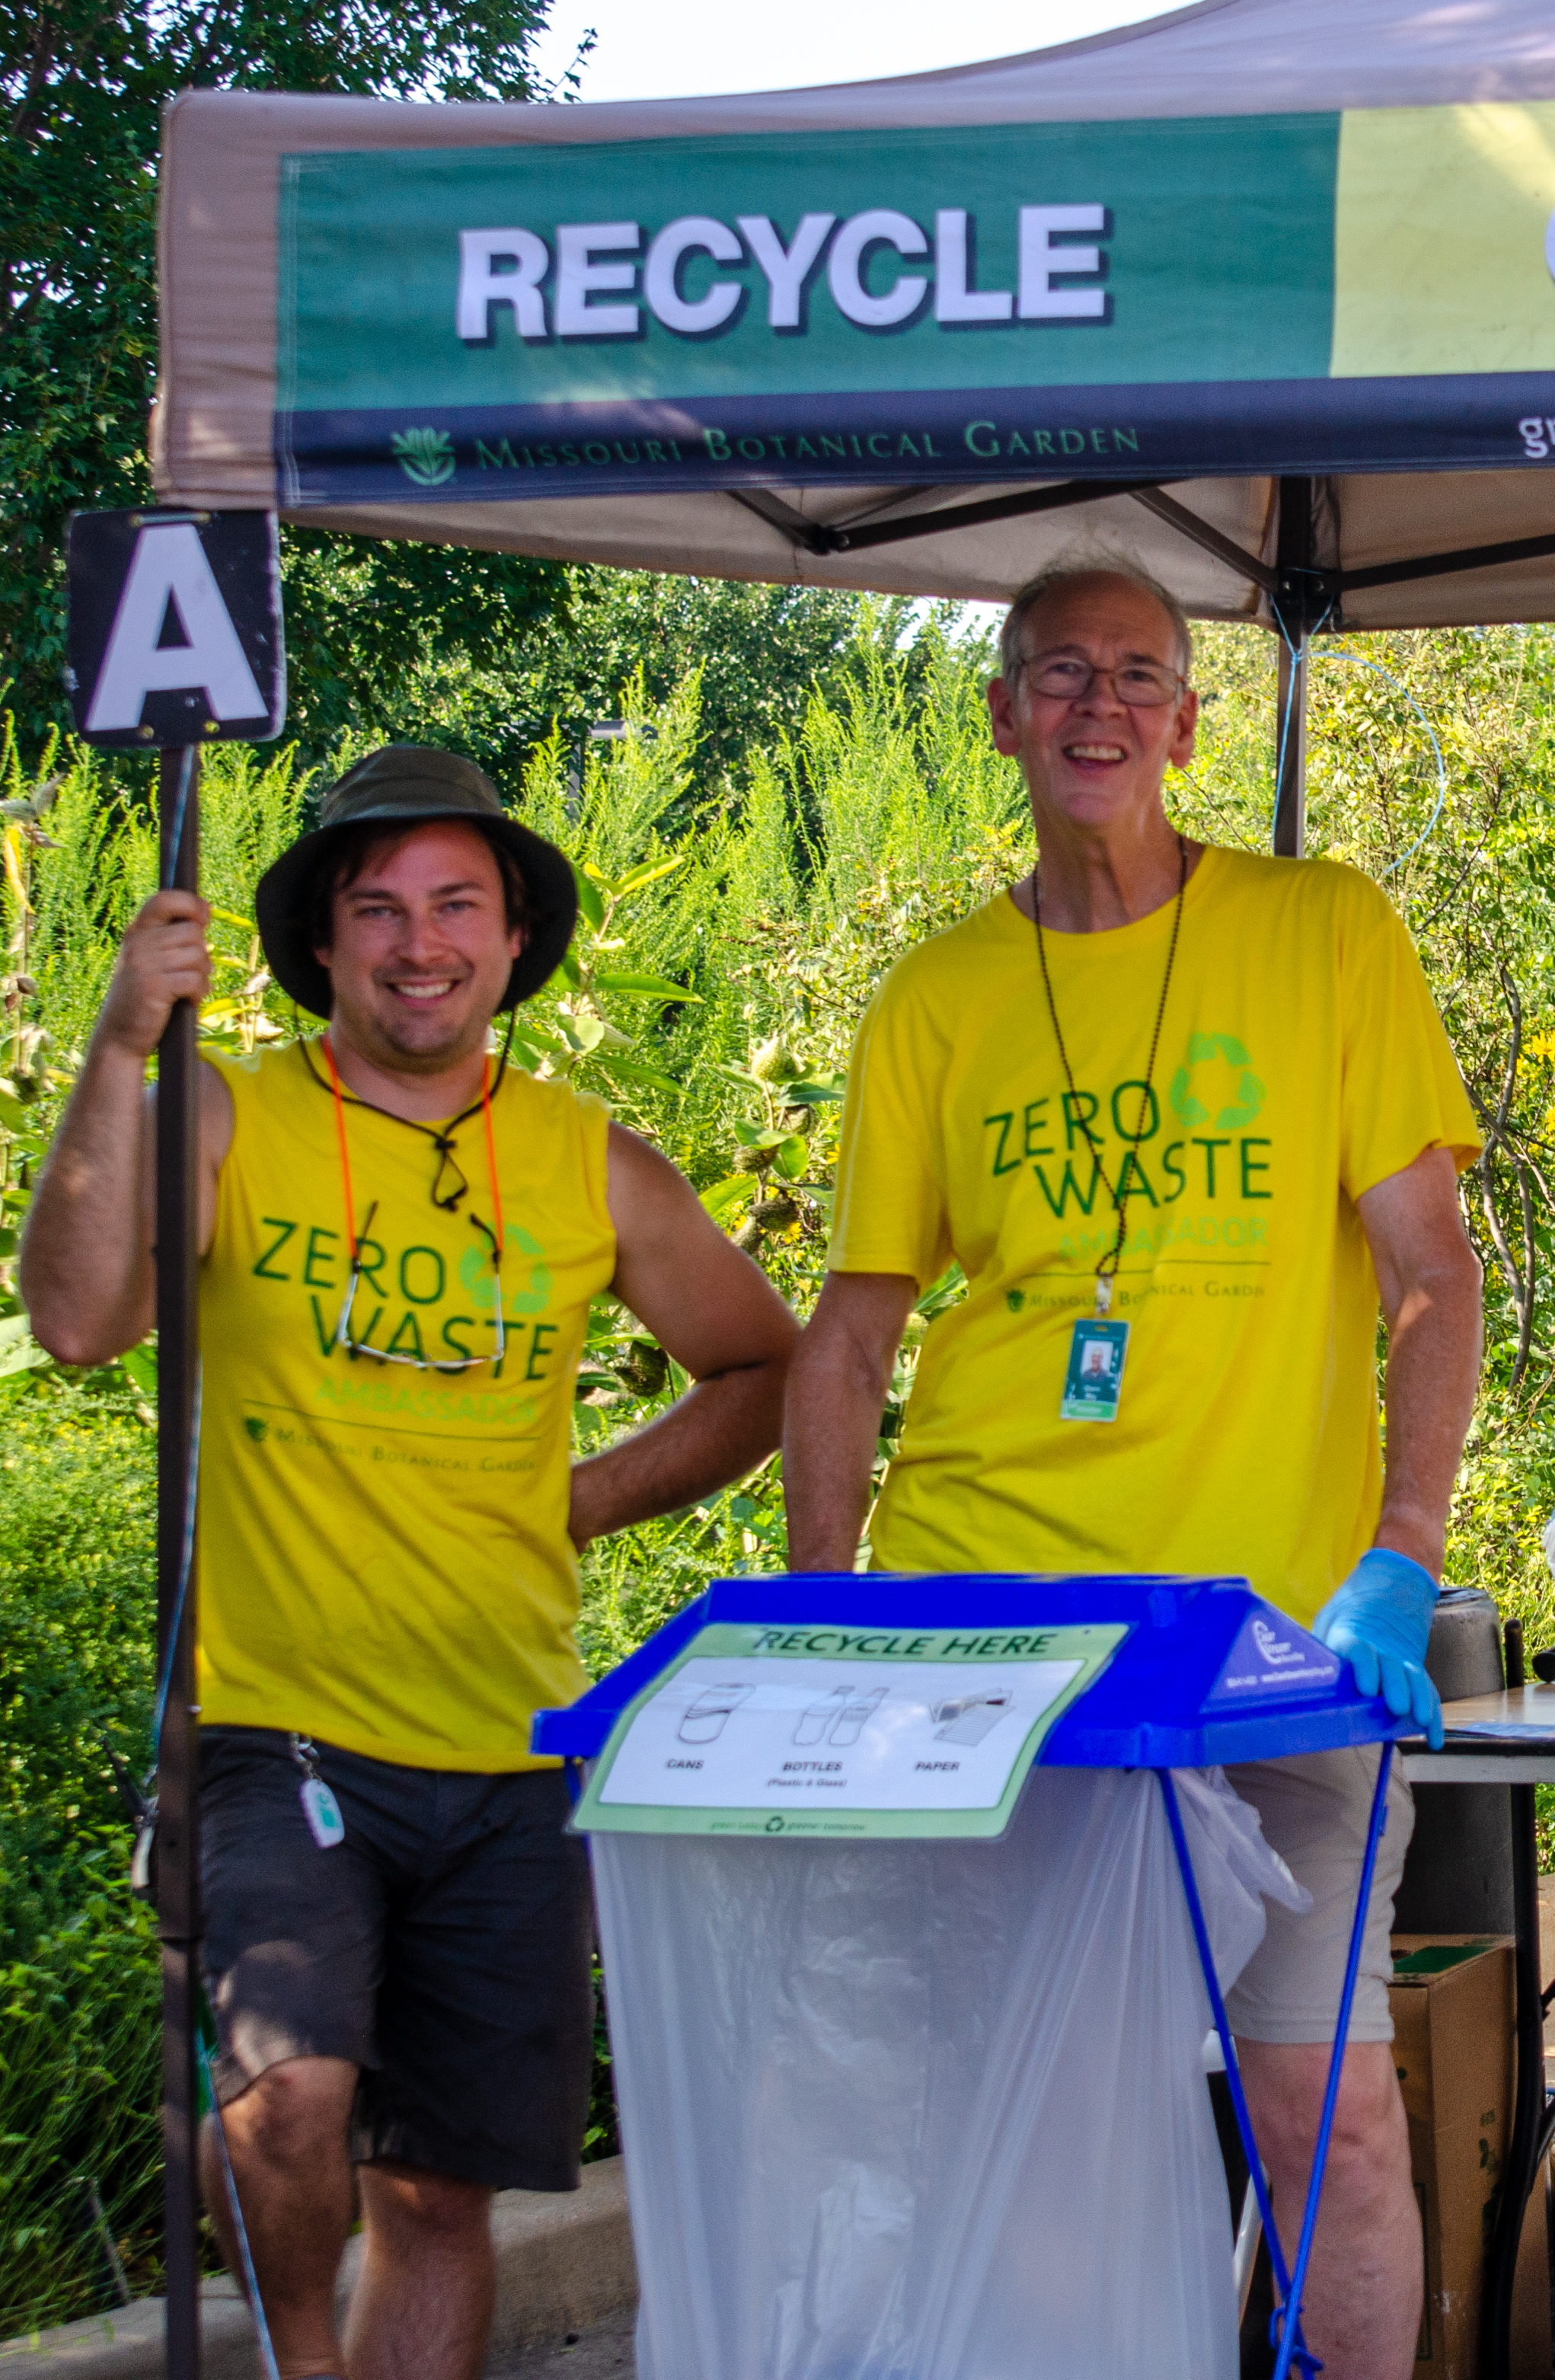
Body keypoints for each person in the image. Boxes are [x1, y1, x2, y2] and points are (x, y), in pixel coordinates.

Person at [783, 564, 1483, 2380]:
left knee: (1327, 2118)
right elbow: (853, 1331)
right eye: (1058, 674)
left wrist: (1403, 1549)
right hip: (989, 1647)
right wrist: (818, 1614)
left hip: (1269, 1650)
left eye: (1140, 677)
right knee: (1024, 2129)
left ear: (1188, 722)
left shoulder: (1323, 930)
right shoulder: (934, 996)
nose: (1099, 705)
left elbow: (1430, 1271)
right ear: (1002, 712)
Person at [22, 746, 798, 2380]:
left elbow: (765, 1369)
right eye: (377, 909)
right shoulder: (227, 1111)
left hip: (508, 1748)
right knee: (284, 2096)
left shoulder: (590, 1158)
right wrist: (116, 1043)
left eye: (456, 904)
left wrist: (579, 1499)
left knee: (440, 2191)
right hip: (275, 1725)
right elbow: (81, 1324)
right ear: (323, 945)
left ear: (514, 940)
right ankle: (305, 2362)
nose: (417, 942)